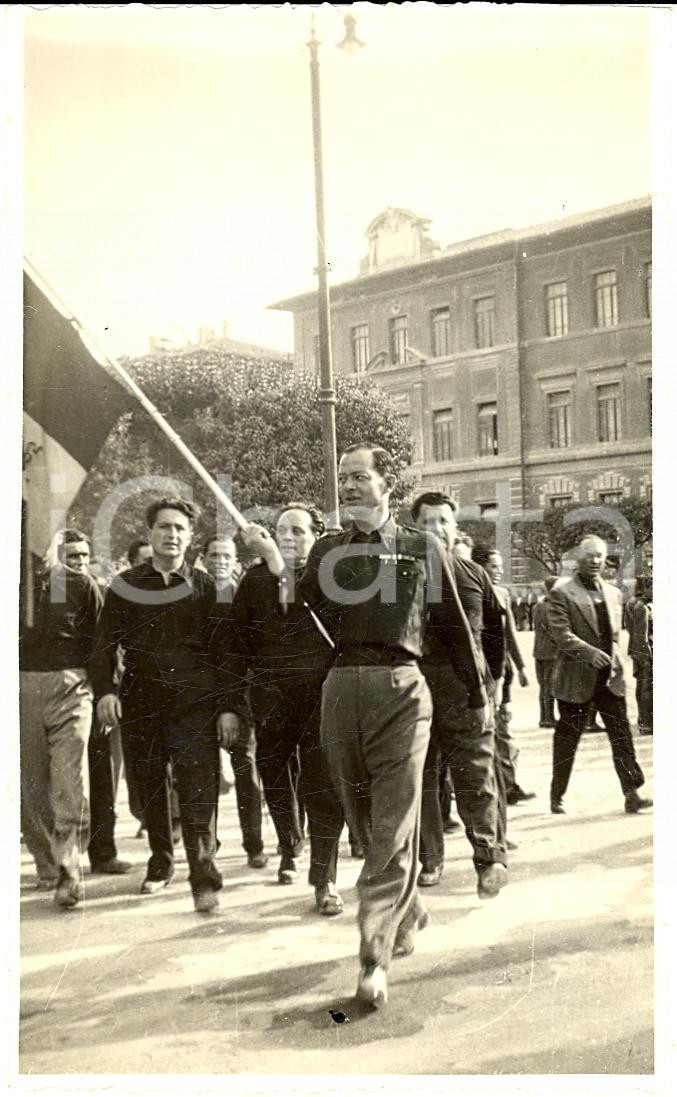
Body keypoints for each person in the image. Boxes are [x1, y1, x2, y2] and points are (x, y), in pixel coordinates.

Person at [299, 444, 487, 1009]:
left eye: (360, 477)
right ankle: (407, 909)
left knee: (392, 827)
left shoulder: (419, 546)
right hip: (340, 690)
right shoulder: (328, 549)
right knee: (364, 822)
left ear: (388, 486)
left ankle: (372, 959)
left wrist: (476, 697)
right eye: (342, 478)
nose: (349, 486)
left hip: (402, 689)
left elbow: (455, 627)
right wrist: (286, 567)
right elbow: (302, 614)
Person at [92, 497, 233, 913]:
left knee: (198, 791)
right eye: (163, 528)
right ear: (150, 533)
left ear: (191, 538)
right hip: (141, 702)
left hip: (195, 704)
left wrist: (228, 707)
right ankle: (161, 862)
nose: (172, 535)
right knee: (150, 787)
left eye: (179, 529)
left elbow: (227, 653)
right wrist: (106, 691)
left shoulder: (210, 588)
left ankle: (204, 877)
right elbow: (103, 645)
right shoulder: (125, 585)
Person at [218, 504, 345, 915]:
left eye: (297, 531)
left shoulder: (328, 579)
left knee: (321, 785)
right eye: (280, 531)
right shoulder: (254, 582)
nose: (287, 538)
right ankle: (290, 842)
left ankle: (323, 879)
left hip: (320, 695)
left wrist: (276, 562)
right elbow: (234, 648)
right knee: (274, 776)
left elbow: (298, 603)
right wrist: (231, 705)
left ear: (316, 537)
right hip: (270, 697)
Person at [412, 492, 507, 897]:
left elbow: (494, 635)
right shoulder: (401, 576)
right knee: (422, 778)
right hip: (417, 686)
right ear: (415, 528)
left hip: (467, 689)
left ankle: (489, 859)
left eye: (444, 521)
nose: (436, 528)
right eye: (428, 521)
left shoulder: (474, 574)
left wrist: (495, 684)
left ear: (455, 528)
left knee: (477, 775)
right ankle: (430, 860)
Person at [20, 529, 103, 907]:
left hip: (72, 687)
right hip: (20, 687)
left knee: (71, 780)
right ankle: (47, 865)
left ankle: (70, 866)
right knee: (31, 786)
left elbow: (103, 642)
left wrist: (106, 694)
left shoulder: (80, 585)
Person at [546, 536, 652, 815]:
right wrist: (589, 653)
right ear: (578, 559)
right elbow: (560, 634)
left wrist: (618, 661)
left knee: (621, 737)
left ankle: (632, 793)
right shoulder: (562, 593)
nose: (595, 561)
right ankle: (557, 795)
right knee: (568, 739)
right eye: (589, 556)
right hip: (576, 678)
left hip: (610, 678)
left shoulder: (614, 594)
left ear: (606, 559)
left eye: (600, 556)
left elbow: (617, 635)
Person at [202, 534, 267, 869]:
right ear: (204, 558)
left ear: (236, 561)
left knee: (246, 769)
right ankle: (207, 846)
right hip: (200, 695)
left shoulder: (246, 595)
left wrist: (233, 703)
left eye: (226, 556)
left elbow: (245, 653)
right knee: (205, 773)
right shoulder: (194, 595)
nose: (220, 561)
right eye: (214, 555)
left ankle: (254, 844)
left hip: (239, 695)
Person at [471, 545, 535, 807]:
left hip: (501, 672)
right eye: (493, 566)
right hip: (479, 671)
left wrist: (521, 667)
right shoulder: (470, 591)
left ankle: (508, 784)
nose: (498, 572)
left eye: (500, 566)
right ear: (480, 567)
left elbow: (509, 634)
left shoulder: (503, 595)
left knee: (503, 730)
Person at [626, 577, 653, 736]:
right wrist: (645, 656)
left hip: (643, 651)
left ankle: (645, 721)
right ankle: (646, 723)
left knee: (645, 687)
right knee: (646, 688)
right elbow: (641, 635)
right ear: (646, 588)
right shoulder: (641, 607)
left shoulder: (643, 605)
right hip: (646, 653)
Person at [532, 577, 558, 728]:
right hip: (551, 651)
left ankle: (544, 717)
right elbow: (553, 631)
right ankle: (548, 717)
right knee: (550, 686)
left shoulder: (538, 606)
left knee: (543, 686)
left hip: (539, 650)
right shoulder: (552, 607)